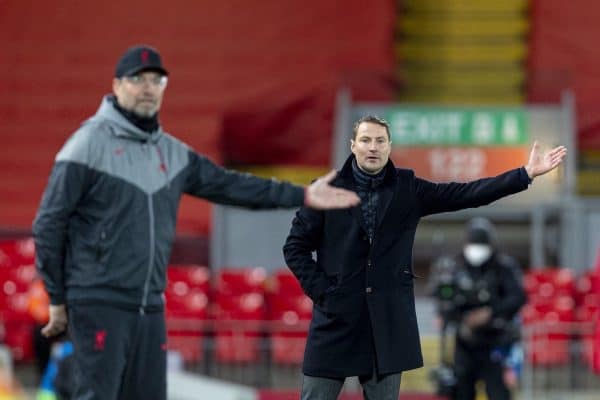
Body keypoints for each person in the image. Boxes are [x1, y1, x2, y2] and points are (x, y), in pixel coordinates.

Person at [32, 44, 359, 400]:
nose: (147, 87)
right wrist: (57, 294)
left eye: (156, 80)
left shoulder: (172, 153)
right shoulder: (87, 144)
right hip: (98, 301)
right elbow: (49, 223)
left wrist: (304, 196)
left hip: (149, 307)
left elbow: (232, 185)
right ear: (116, 85)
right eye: (137, 79)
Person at [283, 115, 567, 400]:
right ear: (353, 145)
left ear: (389, 146)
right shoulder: (324, 189)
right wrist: (324, 294)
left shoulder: (408, 188)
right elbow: (294, 247)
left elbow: (466, 194)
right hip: (336, 322)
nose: (373, 147)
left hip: (387, 325)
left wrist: (524, 174)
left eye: (380, 141)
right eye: (366, 140)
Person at [429, 218, 526, 400]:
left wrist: (490, 312)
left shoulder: (502, 267)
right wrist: (454, 316)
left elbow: (518, 297)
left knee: (498, 393)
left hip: (496, 342)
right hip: (465, 343)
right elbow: (442, 295)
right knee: (462, 392)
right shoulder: (456, 267)